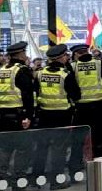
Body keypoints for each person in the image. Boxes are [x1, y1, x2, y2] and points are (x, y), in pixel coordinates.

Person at [34, 44, 81, 190]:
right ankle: (56, 181)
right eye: (65, 55)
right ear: (60, 58)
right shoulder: (65, 75)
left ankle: (37, 180)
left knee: (41, 149)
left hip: (43, 116)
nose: (67, 57)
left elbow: (35, 94)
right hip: (62, 116)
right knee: (58, 150)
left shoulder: (40, 73)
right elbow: (76, 95)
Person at [0, 42, 36, 188]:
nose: (25, 55)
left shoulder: (2, 70)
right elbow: (28, 95)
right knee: (22, 150)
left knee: (4, 149)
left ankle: (0, 182)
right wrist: (29, 117)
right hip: (18, 116)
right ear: (20, 54)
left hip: (2, 116)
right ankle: (19, 183)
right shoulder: (22, 70)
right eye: (24, 53)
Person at [70, 44, 102, 158]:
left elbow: (70, 87)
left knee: (79, 138)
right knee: (100, 136)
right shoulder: (99, 63)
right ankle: (100, 162)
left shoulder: (73, 66)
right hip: (100, 106)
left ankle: (77, 164)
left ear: (75, 54)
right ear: (87, 52)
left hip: (81, 108)